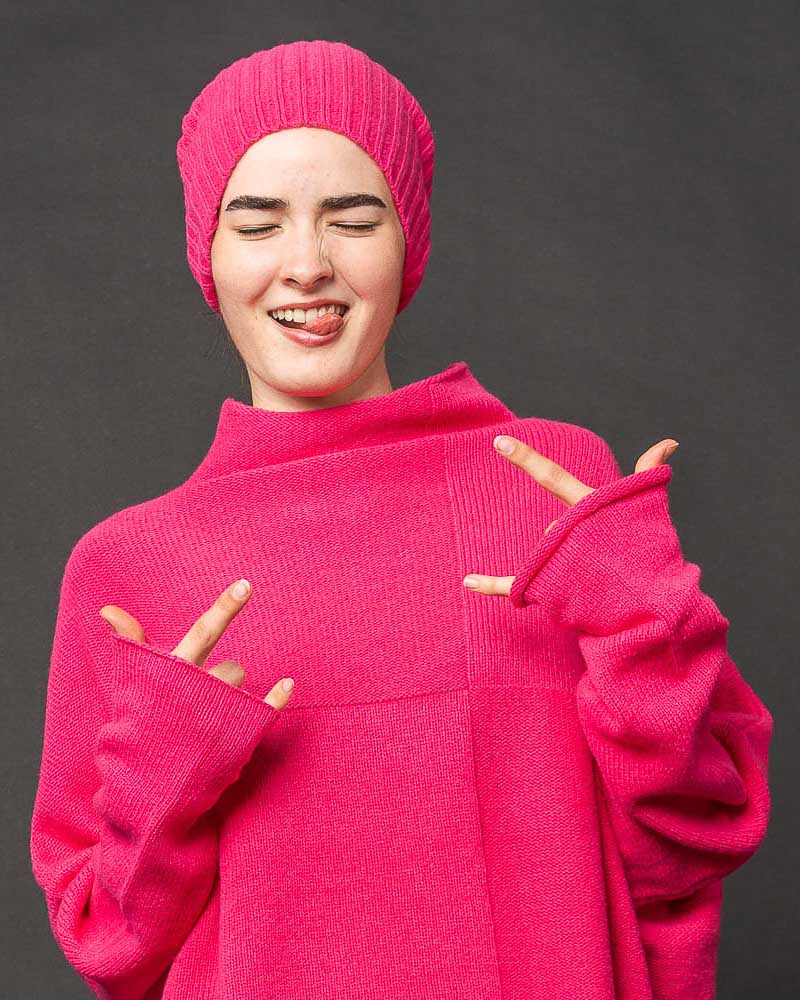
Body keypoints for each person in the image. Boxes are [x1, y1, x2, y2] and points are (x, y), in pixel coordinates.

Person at [29, 39, 773, 1000]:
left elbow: (696, 838)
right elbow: (109, 946)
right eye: (256, 224)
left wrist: (646, 625)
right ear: (206, 254)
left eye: (352, 219)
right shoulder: (130, 566)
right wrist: (169, 771)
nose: (307, 266)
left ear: (407, 244)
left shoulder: (553, 495)